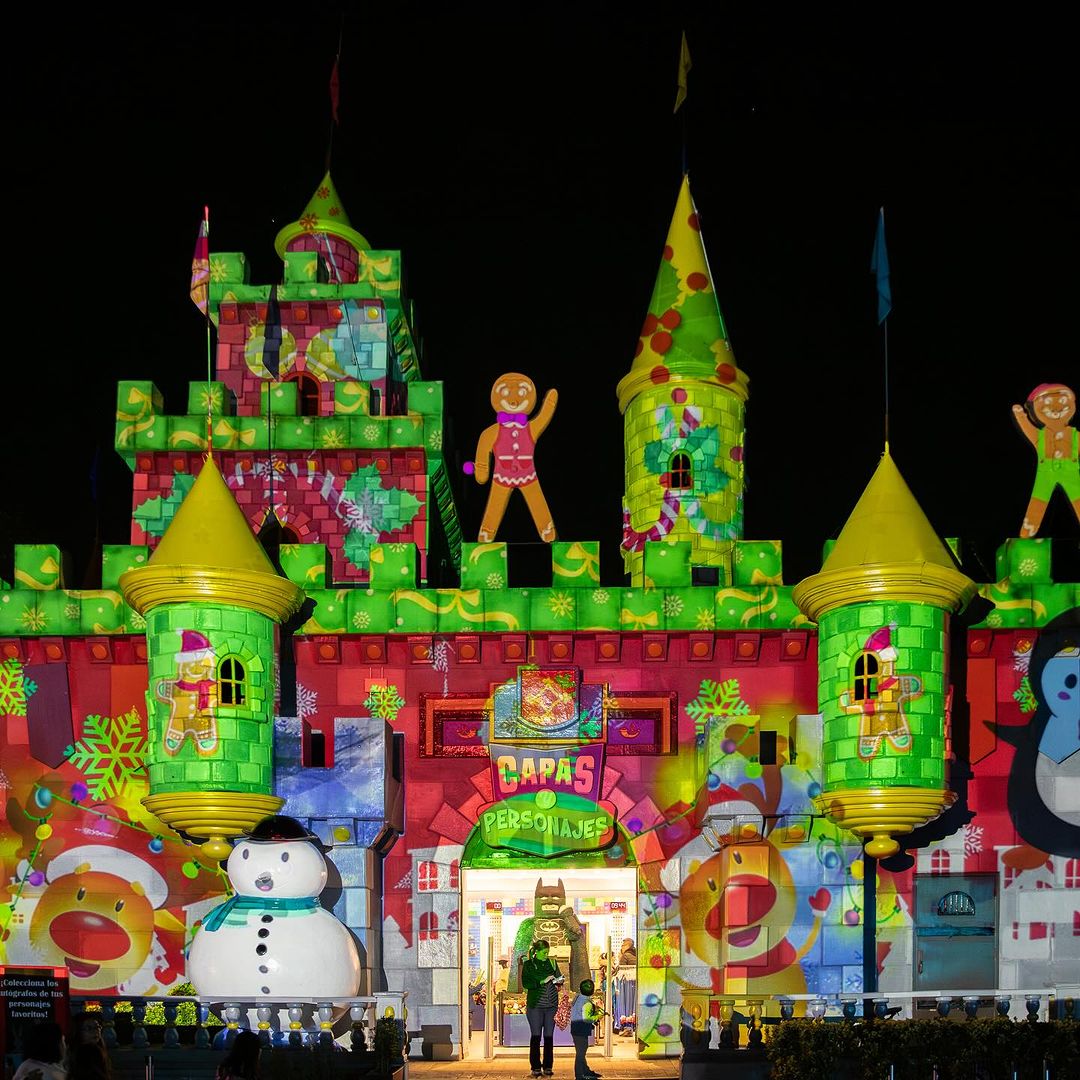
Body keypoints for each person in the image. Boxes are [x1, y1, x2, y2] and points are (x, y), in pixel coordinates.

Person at [521, 939, 563, 1078]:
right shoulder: (528, 965)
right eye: (544, 952)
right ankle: (535, 1067)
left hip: (551, 1006)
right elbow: (526, 983)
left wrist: (559, 980)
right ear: (536, 952)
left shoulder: (552, 962)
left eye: (548, 952)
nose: (546, 955)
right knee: (536, 1036)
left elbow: (559, 979)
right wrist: (542, 981)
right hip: (535, 1006)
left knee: (549, 1037)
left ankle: (548, 1066)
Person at [570, 979, 603, 1080]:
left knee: (581, 1051)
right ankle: (579, 1075)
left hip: (575, 1027)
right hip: (581, 1029)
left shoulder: (577, 998)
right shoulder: (587, 1002)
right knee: (581, 1053)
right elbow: (587, 1018)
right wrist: (598, 1016)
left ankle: (586, 1071)